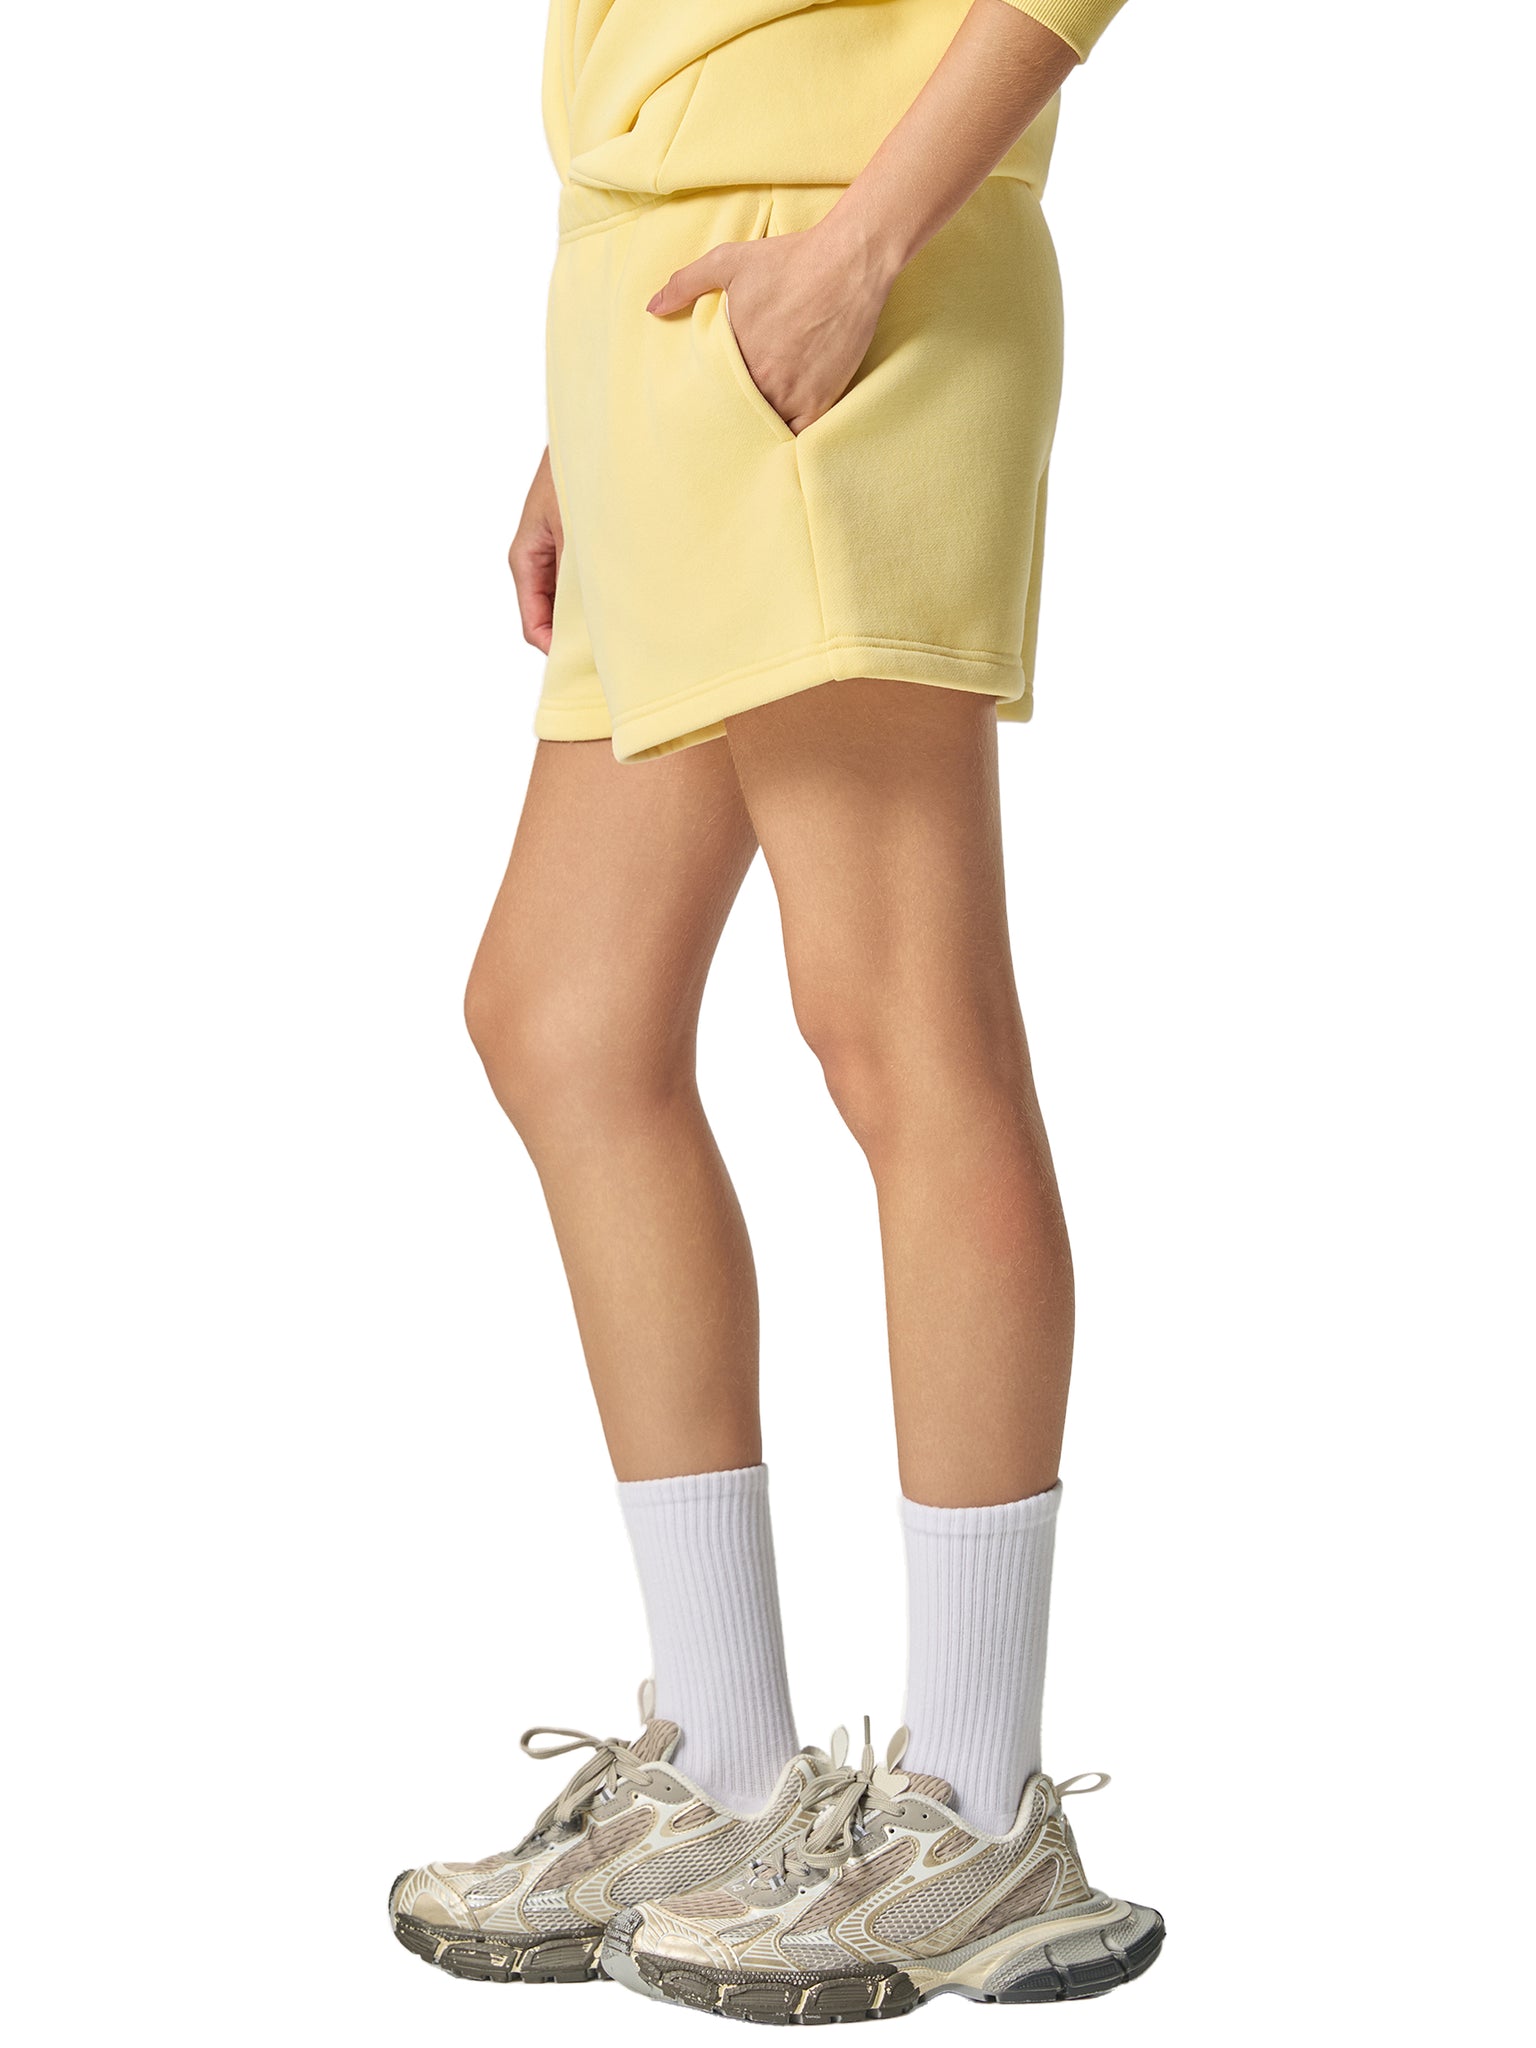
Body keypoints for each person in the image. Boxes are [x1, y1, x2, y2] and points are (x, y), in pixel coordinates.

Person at [389, 0, 1164, 2021]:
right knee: (563, 1012)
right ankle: (729, 1772)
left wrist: (864, 247)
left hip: (836, 288)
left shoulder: (846, 265)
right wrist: (584, 410)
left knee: (900, 1024)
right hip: (673, 324)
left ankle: (980, 1812)